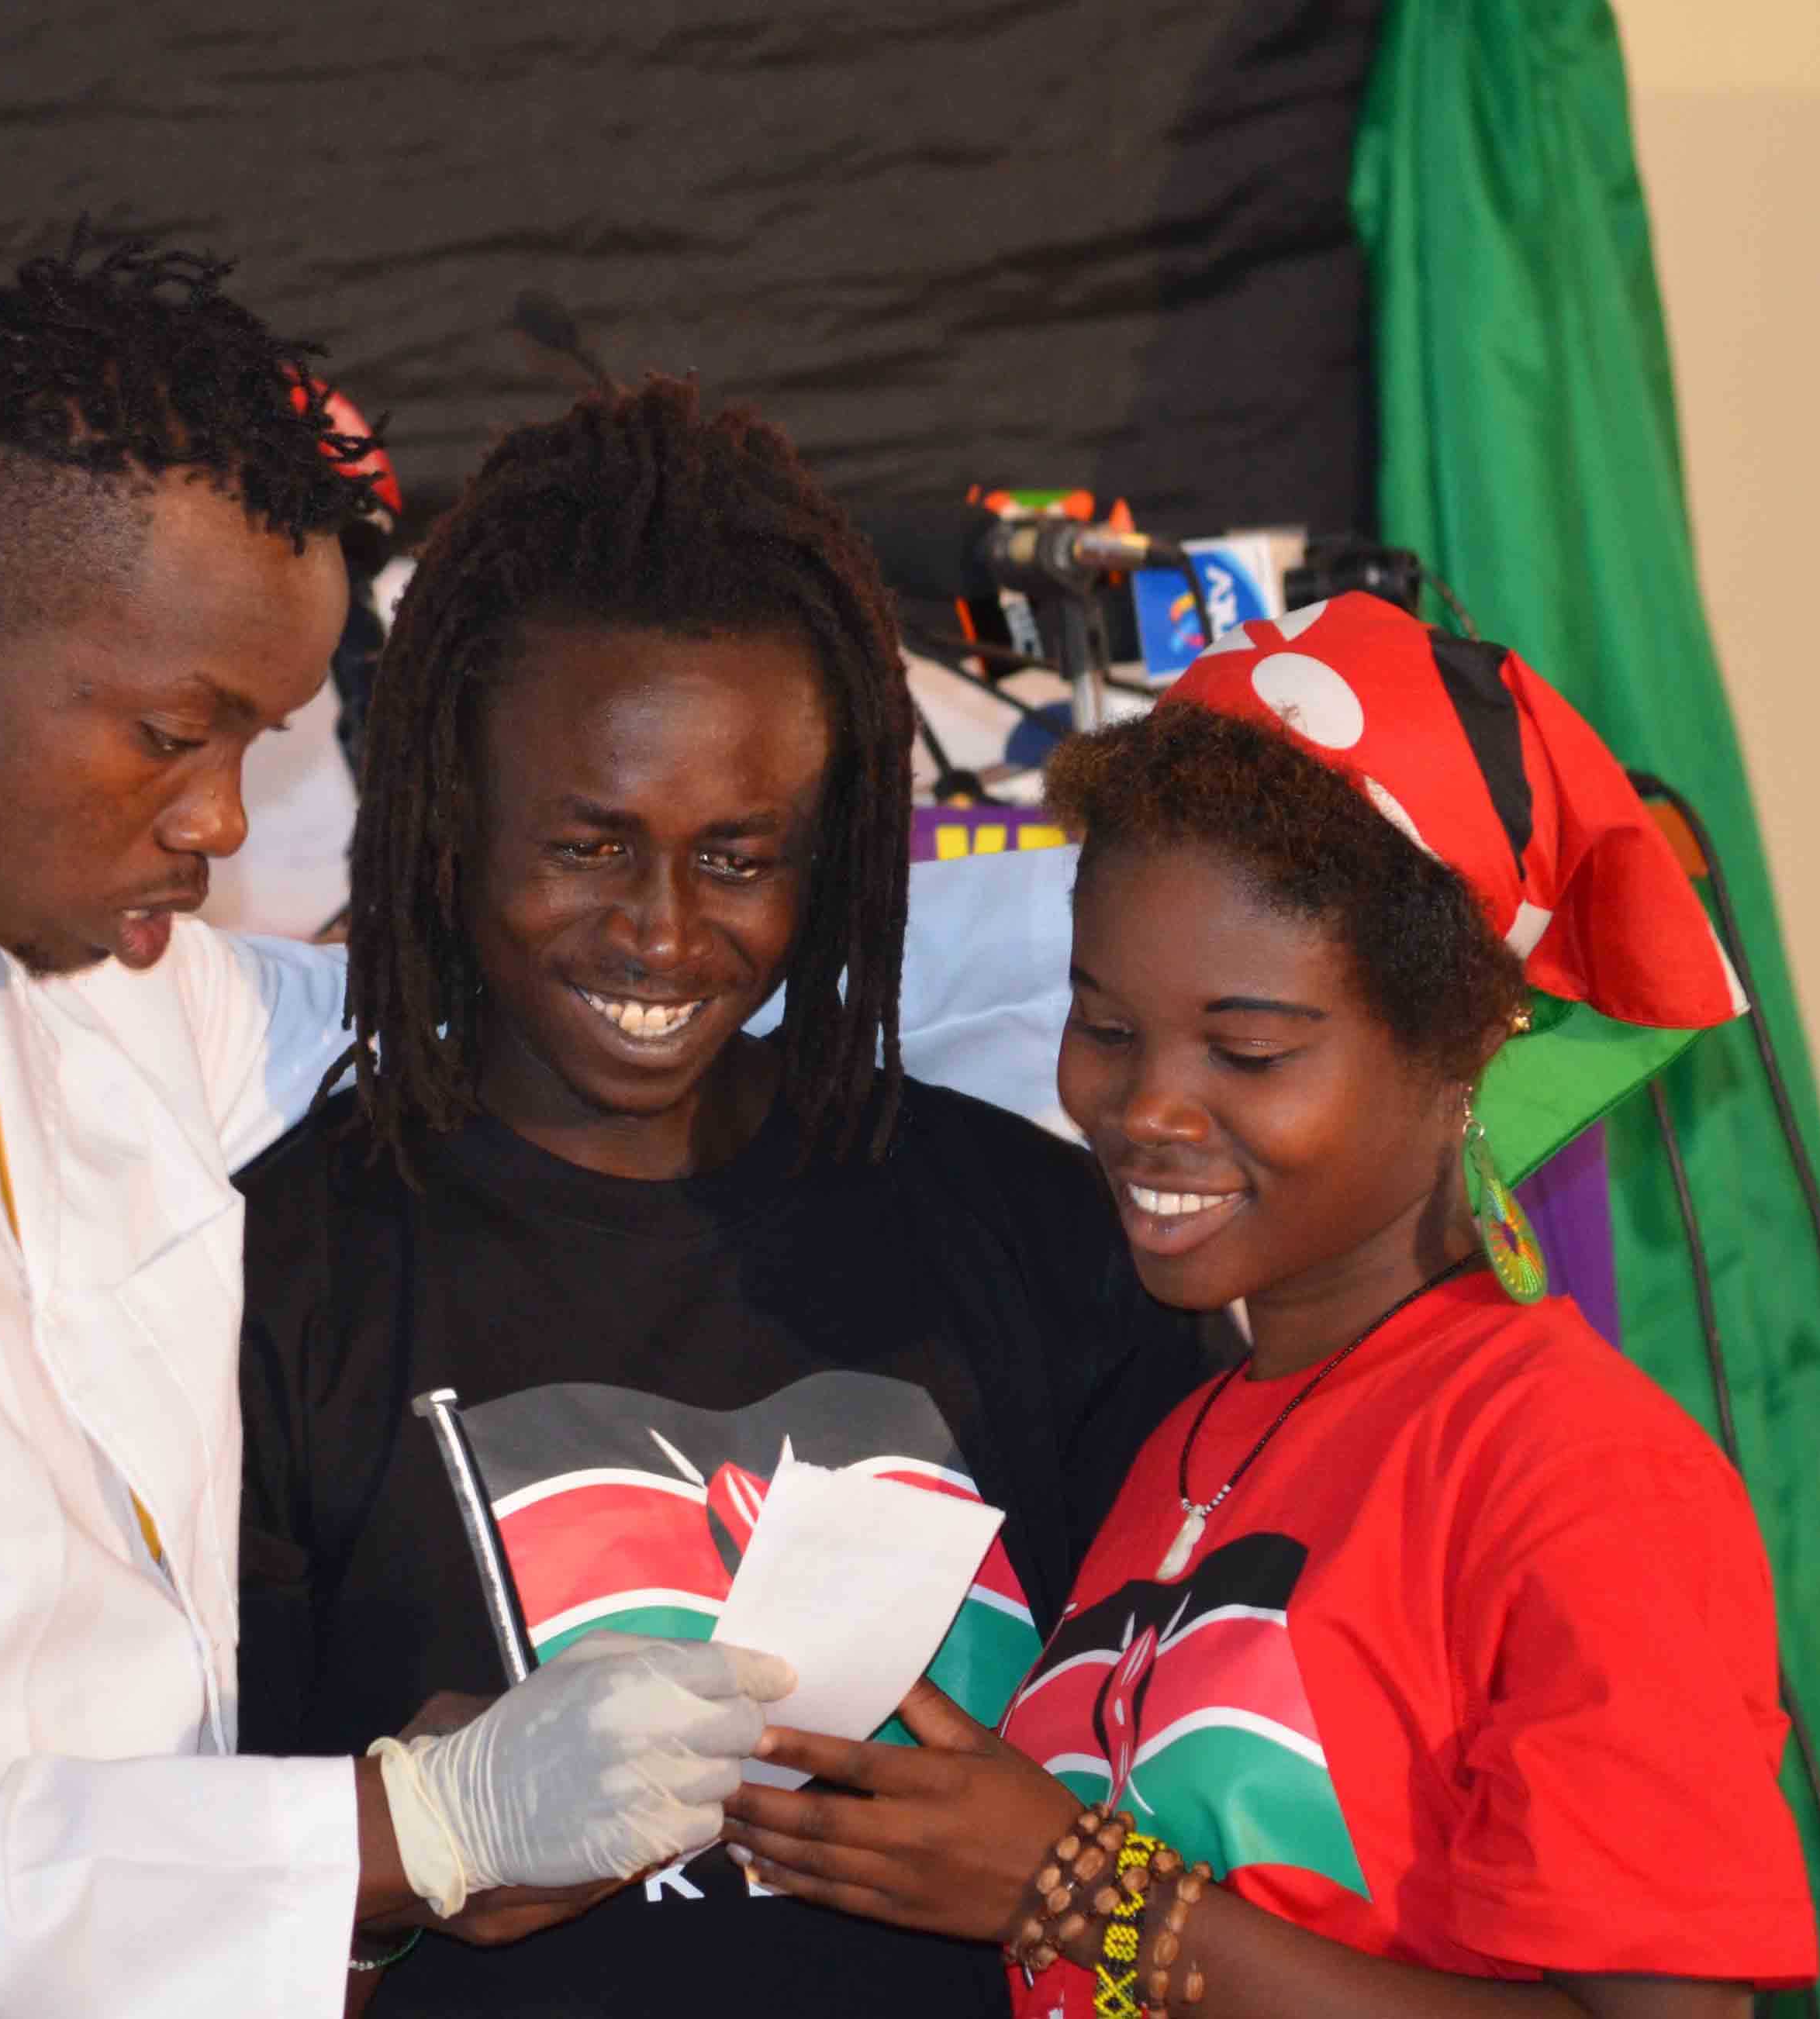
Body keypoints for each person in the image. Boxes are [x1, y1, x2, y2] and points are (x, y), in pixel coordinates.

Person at [0, 229, 1087, 2016]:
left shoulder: (70, 990)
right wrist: (405, 1827)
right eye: (174, 733)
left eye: (255, 746)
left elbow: (561, 986)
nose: (219, 823)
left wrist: (1166, 950)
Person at [233, 378, 1205, 2014]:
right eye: (592, 847)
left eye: (740, 856)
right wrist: (413, 1869)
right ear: (448, 823)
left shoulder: (1039, 1237)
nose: (667, 935)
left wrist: (1064, 1895)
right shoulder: (275, 1276)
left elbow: (1196, 1904)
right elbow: (168, 1925)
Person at [717, 593, 1820, 2017]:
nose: (1147, 1107)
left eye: (1247, 1050)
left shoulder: (1581, 1476)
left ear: (1462, 1044)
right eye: (1105, 1027)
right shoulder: (1193, 1437)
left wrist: (1080, 1891)